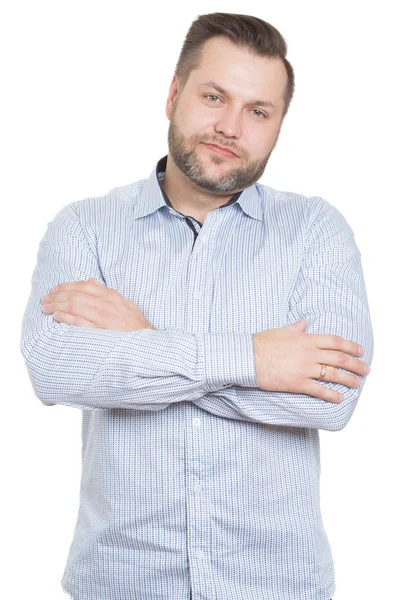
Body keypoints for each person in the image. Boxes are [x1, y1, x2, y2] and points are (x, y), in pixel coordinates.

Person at [20, 12, 373, 600]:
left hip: (274, 584)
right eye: (215, 96)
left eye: (258, 111)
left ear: (279, 125)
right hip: (121, 581)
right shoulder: (84, 229)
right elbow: (54, 368)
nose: (230, 126)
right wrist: (256, 359)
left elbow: (333, 400)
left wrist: (142, 337)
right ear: (174, 94)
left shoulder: (316, 232)